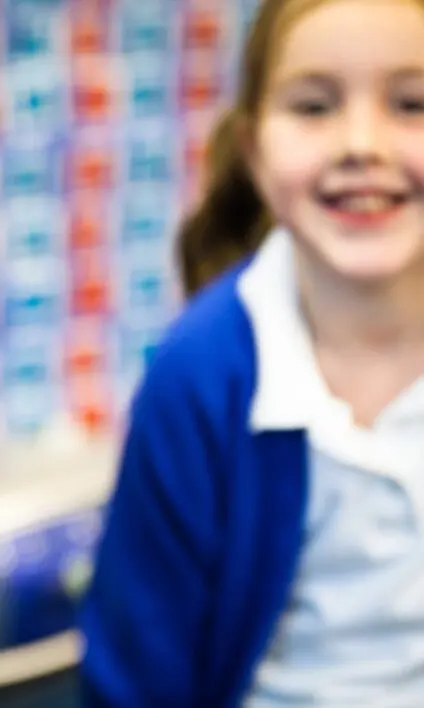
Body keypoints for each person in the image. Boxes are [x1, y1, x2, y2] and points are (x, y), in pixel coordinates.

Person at [79, 0, 424, 704]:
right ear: (254, 153)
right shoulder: (199, 378)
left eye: (412, 103)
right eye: (313, 105)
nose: (363, 142)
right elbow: (136, 676)